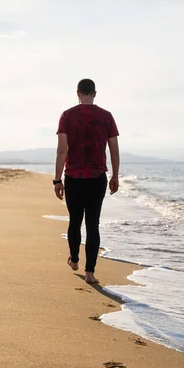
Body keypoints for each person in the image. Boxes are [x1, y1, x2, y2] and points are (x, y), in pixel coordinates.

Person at [54, 78, 120, 284]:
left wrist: (57, 180)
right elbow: (114, 150)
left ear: (78, 93)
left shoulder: (67, 116)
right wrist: (115, 176)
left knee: (75, 221)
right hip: (97, 178)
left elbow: (62, 150)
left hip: (73, 177)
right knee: (93, 224)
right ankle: (90, 273)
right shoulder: (106, 116)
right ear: (94, 93)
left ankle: (74, 260)